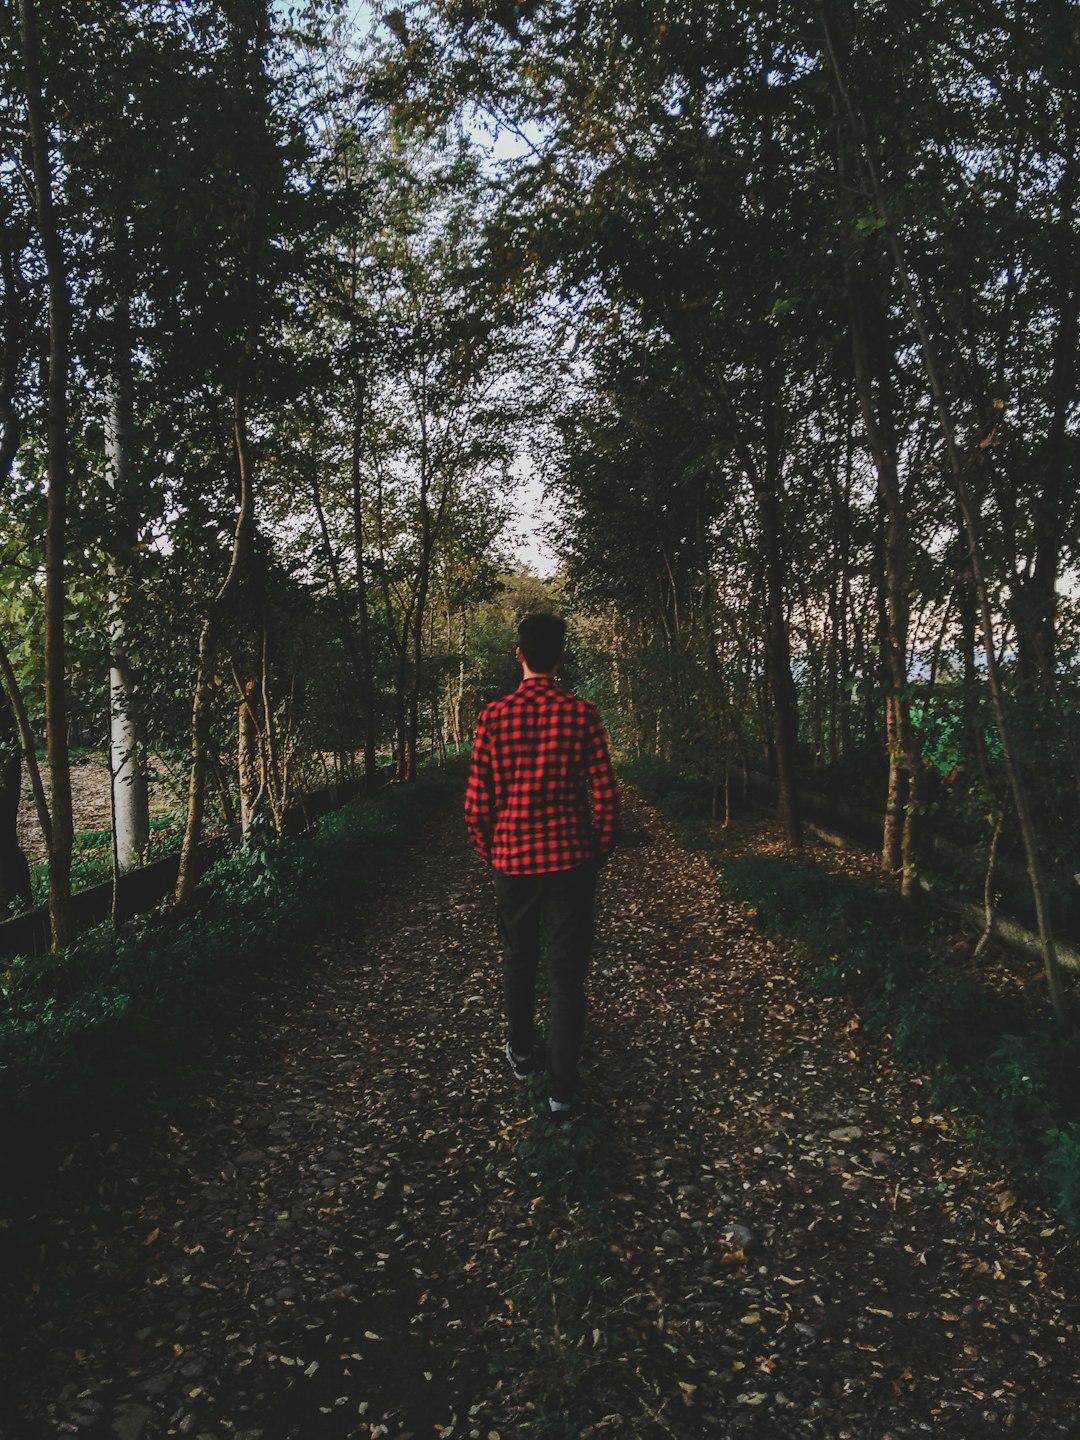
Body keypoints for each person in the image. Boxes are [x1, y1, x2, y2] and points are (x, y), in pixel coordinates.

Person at [464, 613, 619, 1121]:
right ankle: (561, 1092)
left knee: (519, 958)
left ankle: (522, 1053)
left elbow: (476, 804)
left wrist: (493, 849)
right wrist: (598, 846)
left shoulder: (493, 716)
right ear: (559, 656)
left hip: (513, 862)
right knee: (567, 972)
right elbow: (604, 792)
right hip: (571, 862)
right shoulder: (582, 714)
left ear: (519, 655)